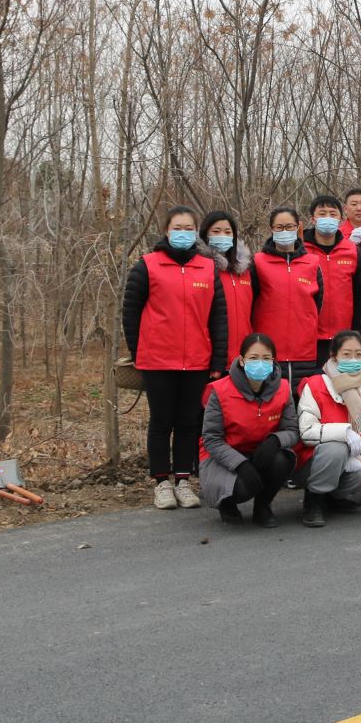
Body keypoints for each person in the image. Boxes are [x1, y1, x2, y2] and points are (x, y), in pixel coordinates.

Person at [121, 205, 229, 510]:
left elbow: (218, 318)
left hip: (196, 360)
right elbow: (130, 314)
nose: (183, 233)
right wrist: (138, 353)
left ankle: (183, 480)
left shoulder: (207, 268)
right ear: (167, 231)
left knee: (187, 423)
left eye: (188, 228)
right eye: (177, 228)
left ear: (197, 233)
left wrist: (217, 362)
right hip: (157, 361)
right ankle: (162, 483)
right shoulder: (147, 265)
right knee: (160, 422)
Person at [199, 333, 297, 528]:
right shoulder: (220, 391)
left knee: (282, 459)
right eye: (253, 358)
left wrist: (275, 441)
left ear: (273, 361)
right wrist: (240, 464)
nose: (260, 363)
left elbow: (293, 430)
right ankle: (227, 504)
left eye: (266, 358)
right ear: (242, 361)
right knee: (242, 488)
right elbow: (211, 439)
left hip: (262, 451)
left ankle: (262, 506)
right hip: (224, 456)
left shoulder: (283, 388)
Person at [295, 330, 361, 527]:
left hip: (350, 456)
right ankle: (314, 500)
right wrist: (344, 433)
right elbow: (306, 432)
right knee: (337, 448)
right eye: (346, 354)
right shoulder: (315, 385)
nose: (353, 359)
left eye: (358, 354)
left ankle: (333, 497)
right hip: (311, 461)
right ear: (334, 357)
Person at [251, 206, 325, 395]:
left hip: (304, 350)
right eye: (279, 227)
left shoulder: (312, 263)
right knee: (272, 403)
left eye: (289, 227)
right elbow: (251, 302)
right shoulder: (258, 262)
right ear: (271, 230)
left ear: (298, 227)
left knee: (304, 402)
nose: (285, 231)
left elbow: (317, 303)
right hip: (269, 350)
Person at [303, 194, 361, 364]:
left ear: (341, 219)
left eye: (332, 214)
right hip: (310, 336)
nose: (328, 218)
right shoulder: (301, 250)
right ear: (313, 219)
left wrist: (357, 330)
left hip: (344, 336)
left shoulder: (352, 251)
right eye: (322, 214)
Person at [201, 209, 253, 367]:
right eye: (216, 231)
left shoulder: (246, 270)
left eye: (227, 231)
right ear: (205, 234)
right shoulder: (200, 267)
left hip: (242, 357)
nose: (222, 235)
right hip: (210, 358)